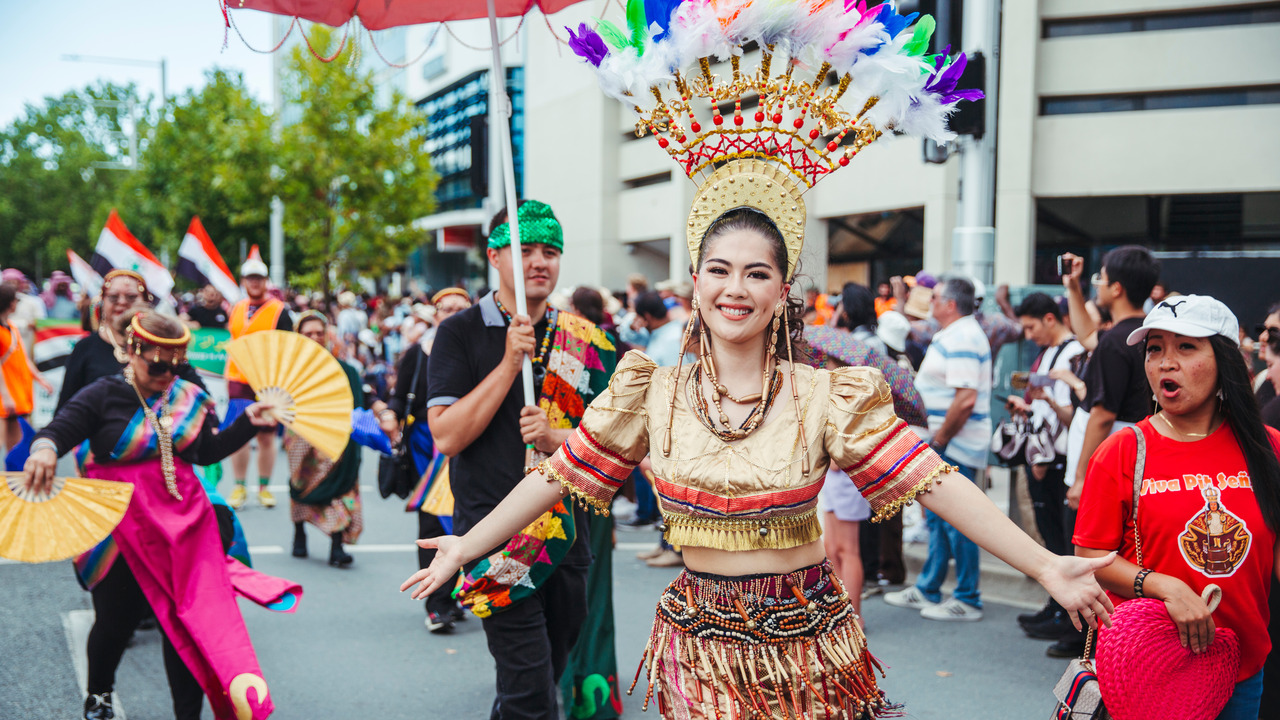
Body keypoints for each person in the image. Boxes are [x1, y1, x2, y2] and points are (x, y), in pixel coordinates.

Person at [23, 309, 287, 720]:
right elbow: (59, 430)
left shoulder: (188, 396)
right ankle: (99, 695)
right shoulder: (102, 395)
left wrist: (249, 423)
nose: (166, 374)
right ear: (132, 351)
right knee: (115, 620)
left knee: (182, 625)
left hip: (179, 529)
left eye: (175, 364)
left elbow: (206, 452)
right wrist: (42, 451)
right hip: (119, 530)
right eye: (157, 364)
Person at [424, 201, 620, 720]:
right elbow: (446, 436)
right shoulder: (459, 332)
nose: (539, 261)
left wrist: (557, 437)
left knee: (539, 682)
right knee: (531, 696)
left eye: (550, 252)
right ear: (494, 256)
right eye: (524, 250)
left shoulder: (589, 342)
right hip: (493, 538)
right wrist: (511, 364)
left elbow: (617, 439)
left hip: (565, 539)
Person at [1074, 295, 1280, 720]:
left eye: (1186, 347)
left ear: (1224, 358)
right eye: (1155, 348)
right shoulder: (1123, 451)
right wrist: (1167, 587)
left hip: (1244, 670)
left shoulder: (1269, 447)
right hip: (1151, 669)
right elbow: (1090, 558)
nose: (1166, 363)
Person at [884, 276, 994, 621]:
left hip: (955, 444)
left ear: (950, 304)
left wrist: (940, 439)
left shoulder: (963, 335)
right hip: (947, 442)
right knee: (940, 520)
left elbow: (965, 399)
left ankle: (967, 597)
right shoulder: (956, 333)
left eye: (934, 297)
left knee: (959, 522)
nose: (928, 302)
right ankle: (930, 587)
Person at [386, 286, 472, 633]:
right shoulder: (418, 353)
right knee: (433, 523)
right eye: (445, 308)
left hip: (471, 442)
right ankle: (437, 603)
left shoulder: (484, 349)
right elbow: (398, 396)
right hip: (428, 447)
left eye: (460, 308)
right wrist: (389, 415)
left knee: (471, 520)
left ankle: (460, 594)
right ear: (434, 315)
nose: (452, 313)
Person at [1007, 292, 1086, 639]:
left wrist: (1050, 402)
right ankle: (1057, 607)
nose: (1028, 335)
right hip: (1042, 454)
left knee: (1061, 538)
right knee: (1049, 535)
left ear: (1050, 319)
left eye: (1030, 327)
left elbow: (1076, 418)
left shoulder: (1072, 354)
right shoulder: (1049, 354)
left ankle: (1068, 617)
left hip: (1058, 460)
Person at [286, 311, 365, 567]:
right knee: (301, 481)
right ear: (299, 336)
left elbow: (357, 405)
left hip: (337, 437)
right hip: (302, 437)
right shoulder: (289, 372)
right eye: (308, 333)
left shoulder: (346, 371)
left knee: (341, 486)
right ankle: (299, 531)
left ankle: (336, 544)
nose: (314, 337)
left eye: (319, 332)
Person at [225, 253, 292, 509]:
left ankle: (264, 488)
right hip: (238, 379)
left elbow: (289, 348)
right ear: (243, 281)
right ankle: (239, 487)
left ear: (266, 280)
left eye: (259, 278)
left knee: (266, 435)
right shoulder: (237, 307)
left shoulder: (280, 311)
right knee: (238, 434)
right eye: (250, 278)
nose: (254, 282)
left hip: (268, 382)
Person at [0, 282, 53, 453]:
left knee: (16, 447)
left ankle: (10, 479)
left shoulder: (12, 327)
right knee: (2, 442)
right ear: (9, 302)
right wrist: (6, 396)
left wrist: (40, 378)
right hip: (5, 394)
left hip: (19, 390)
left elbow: (23, 357)